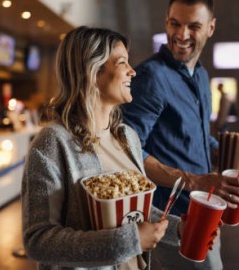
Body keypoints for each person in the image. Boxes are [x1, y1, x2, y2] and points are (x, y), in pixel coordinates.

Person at [122, 0, 239, 270]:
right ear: (166, 21)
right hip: (170, 218)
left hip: (205, 210)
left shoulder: (202, 75)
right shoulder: (151, 76)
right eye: (175, 24)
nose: (182, 35)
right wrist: (195, 181)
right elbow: (127, 151)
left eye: (194, 26)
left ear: (211, 28)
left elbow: (200, 138)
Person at [22, 26, 184, 270]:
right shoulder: (53, 142)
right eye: (122, 63)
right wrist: (128, 241)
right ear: (93, 71)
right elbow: (38, 241)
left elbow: (133, 212)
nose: (133, 72)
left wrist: (180, 228)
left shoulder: (127, 137)